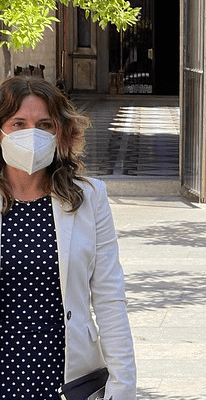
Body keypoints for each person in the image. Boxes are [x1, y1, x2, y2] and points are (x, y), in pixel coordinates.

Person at [0, 76, 136, 399]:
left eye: (44, 125)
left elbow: (110, 299)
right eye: (18, 124)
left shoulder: (89, 198)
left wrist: (123, 386)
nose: (31, 134)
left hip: (64, 382)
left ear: (60, 132)